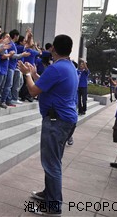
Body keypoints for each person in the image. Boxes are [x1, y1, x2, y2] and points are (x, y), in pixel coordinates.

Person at [18, 34, 78, 215]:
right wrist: (35, 73)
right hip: (64, 119)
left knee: (51, 163)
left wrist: (27, 74)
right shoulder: (67, 67)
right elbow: (45, 82)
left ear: (53, 48)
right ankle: (49, 194)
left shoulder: (57, 68)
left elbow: (34, 90)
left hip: (56, 121)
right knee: (54, 161)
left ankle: (53, 206)